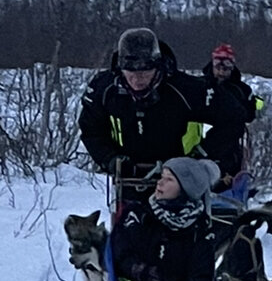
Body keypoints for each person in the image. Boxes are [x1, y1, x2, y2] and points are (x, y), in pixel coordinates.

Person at [79, 27, 210, 184]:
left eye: (145, 72)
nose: (137, 79)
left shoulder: (186, 89)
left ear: (157, 66)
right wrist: (109, 159)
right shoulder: (104, 89)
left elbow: (231, 117)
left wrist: (201, 156)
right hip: (127, 178)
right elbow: (91, 129)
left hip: (180, 179)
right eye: (130, 72)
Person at [200, 42, 260, 201]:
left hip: (228, 150)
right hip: (197, 146)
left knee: (226, 188)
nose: (221, 71)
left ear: (232, 67)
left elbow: (249, 115)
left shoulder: (241, 90)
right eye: (217, 66)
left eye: (226, 67)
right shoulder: (199, 86)